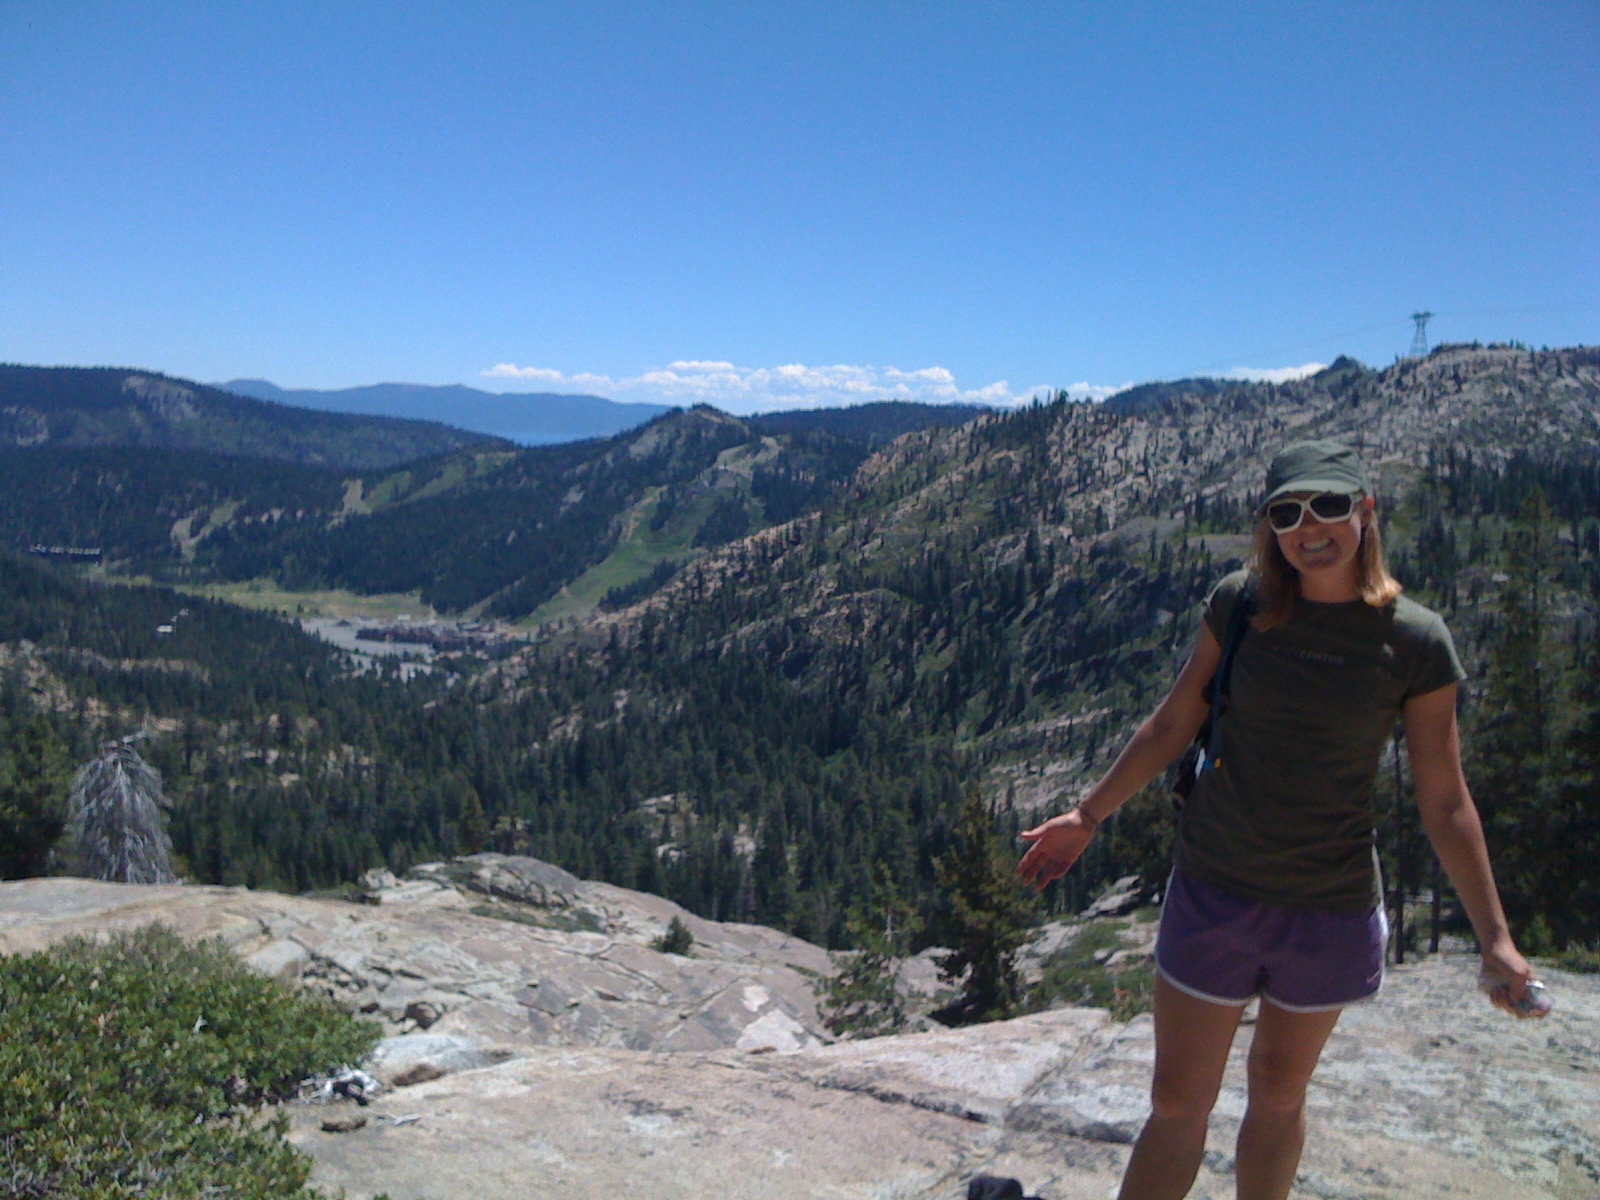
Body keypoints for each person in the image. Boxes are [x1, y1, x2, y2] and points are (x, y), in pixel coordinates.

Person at [1015, 439, 1545, 1200]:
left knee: (1278, 1095)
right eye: (1287, 513)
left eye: (1328, 505)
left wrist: (1495, 938)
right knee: (1177, 1103)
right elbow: (1173, 723)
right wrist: (1086, 815)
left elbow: (1446, 798)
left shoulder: (1416, 640)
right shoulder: (1241, 603)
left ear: (1366, 510)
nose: (1309, 528)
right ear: (1270, 526)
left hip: (1328, 908)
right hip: (1213, 888)